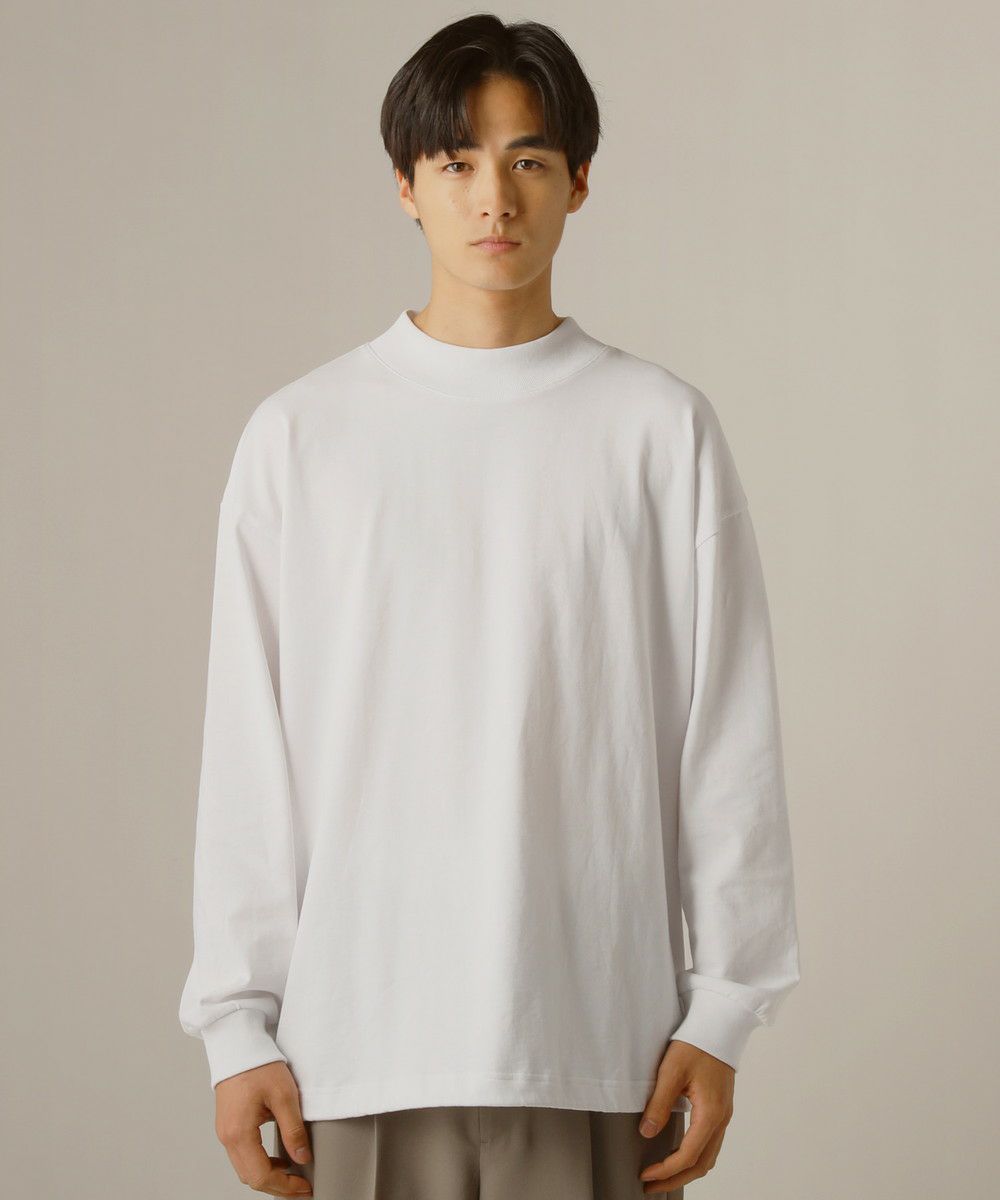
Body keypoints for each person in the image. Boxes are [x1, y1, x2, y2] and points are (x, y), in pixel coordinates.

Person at [178, 13, 801, 1199]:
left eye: (528, 160)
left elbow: (726, 737)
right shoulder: (304, 436)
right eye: (456, 161)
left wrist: (723, 1008)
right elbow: (250, 747)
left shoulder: (656, 431)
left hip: (597, 1044)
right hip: (354, 1048)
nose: (493, 198)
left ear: (579, 181)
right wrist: (235, 1023)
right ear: (404, 186)